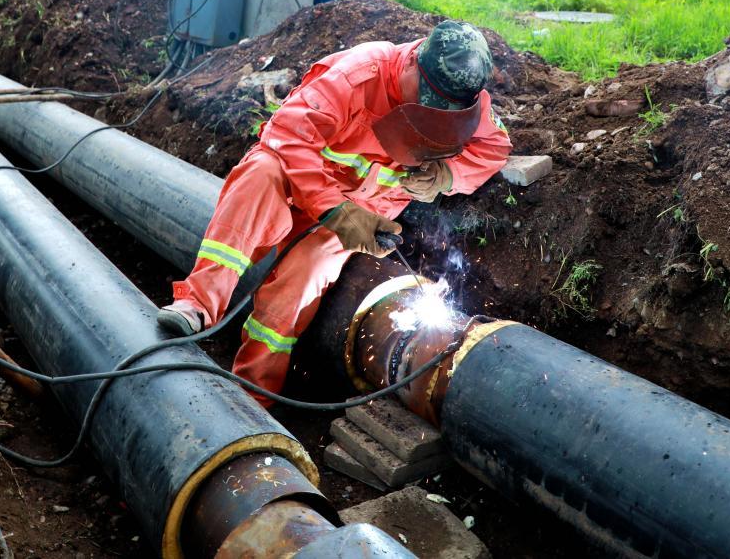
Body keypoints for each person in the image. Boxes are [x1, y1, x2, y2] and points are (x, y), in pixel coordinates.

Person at [157, 21, 512, 405]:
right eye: (429, 102)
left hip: (363, 212)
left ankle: (253, 397)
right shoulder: (358, 75)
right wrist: (335, 211)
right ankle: (196, 304)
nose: (433, 115)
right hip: (297, 185)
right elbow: (289, 136)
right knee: (260, 174)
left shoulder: (466, 101)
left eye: (444, 113)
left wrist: (447, 174)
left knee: (303, 278)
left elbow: (495, 147)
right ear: (413, 62)